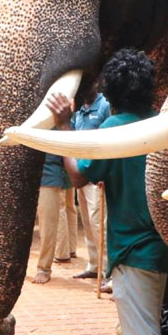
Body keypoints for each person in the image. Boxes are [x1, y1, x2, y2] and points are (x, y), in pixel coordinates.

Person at [54, 49, 168, 335]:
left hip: (132, 249)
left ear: (109, 91)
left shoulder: (113, 128)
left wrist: (65, 127)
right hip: (161, 246)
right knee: (145, 328)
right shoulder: (162, 122)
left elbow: (80, 176)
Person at [70, 86, 110, 281]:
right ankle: (94, 264)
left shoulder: (104, 106)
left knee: (98, 223)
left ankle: (107, 270)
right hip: (81, 172)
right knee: (87, 221)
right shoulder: (80, 110)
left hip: (96, 177)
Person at [32, 149, 77, 285]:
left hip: (49, 177)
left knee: (47, 225)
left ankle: (44, 268)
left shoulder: (60, 127)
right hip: (27, 176)